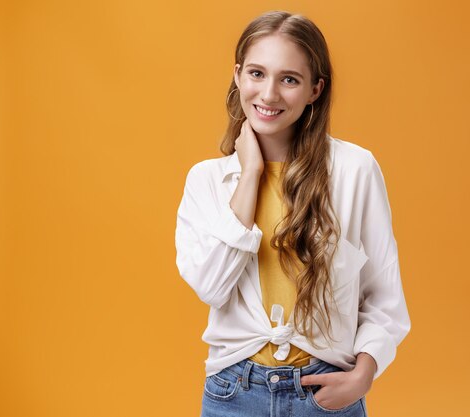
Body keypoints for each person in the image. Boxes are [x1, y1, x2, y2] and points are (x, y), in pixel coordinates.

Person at [175, 10, 411, 417]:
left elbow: (383, 297)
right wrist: (250, 173)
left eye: (289, 79)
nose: (268, 95)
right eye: (256, 73)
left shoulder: (355, 170)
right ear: (237, 76)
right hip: (234, 392)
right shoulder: (207, 180)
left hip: (325, 392)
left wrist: (362, 376)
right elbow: (211, 287)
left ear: (315, 90)